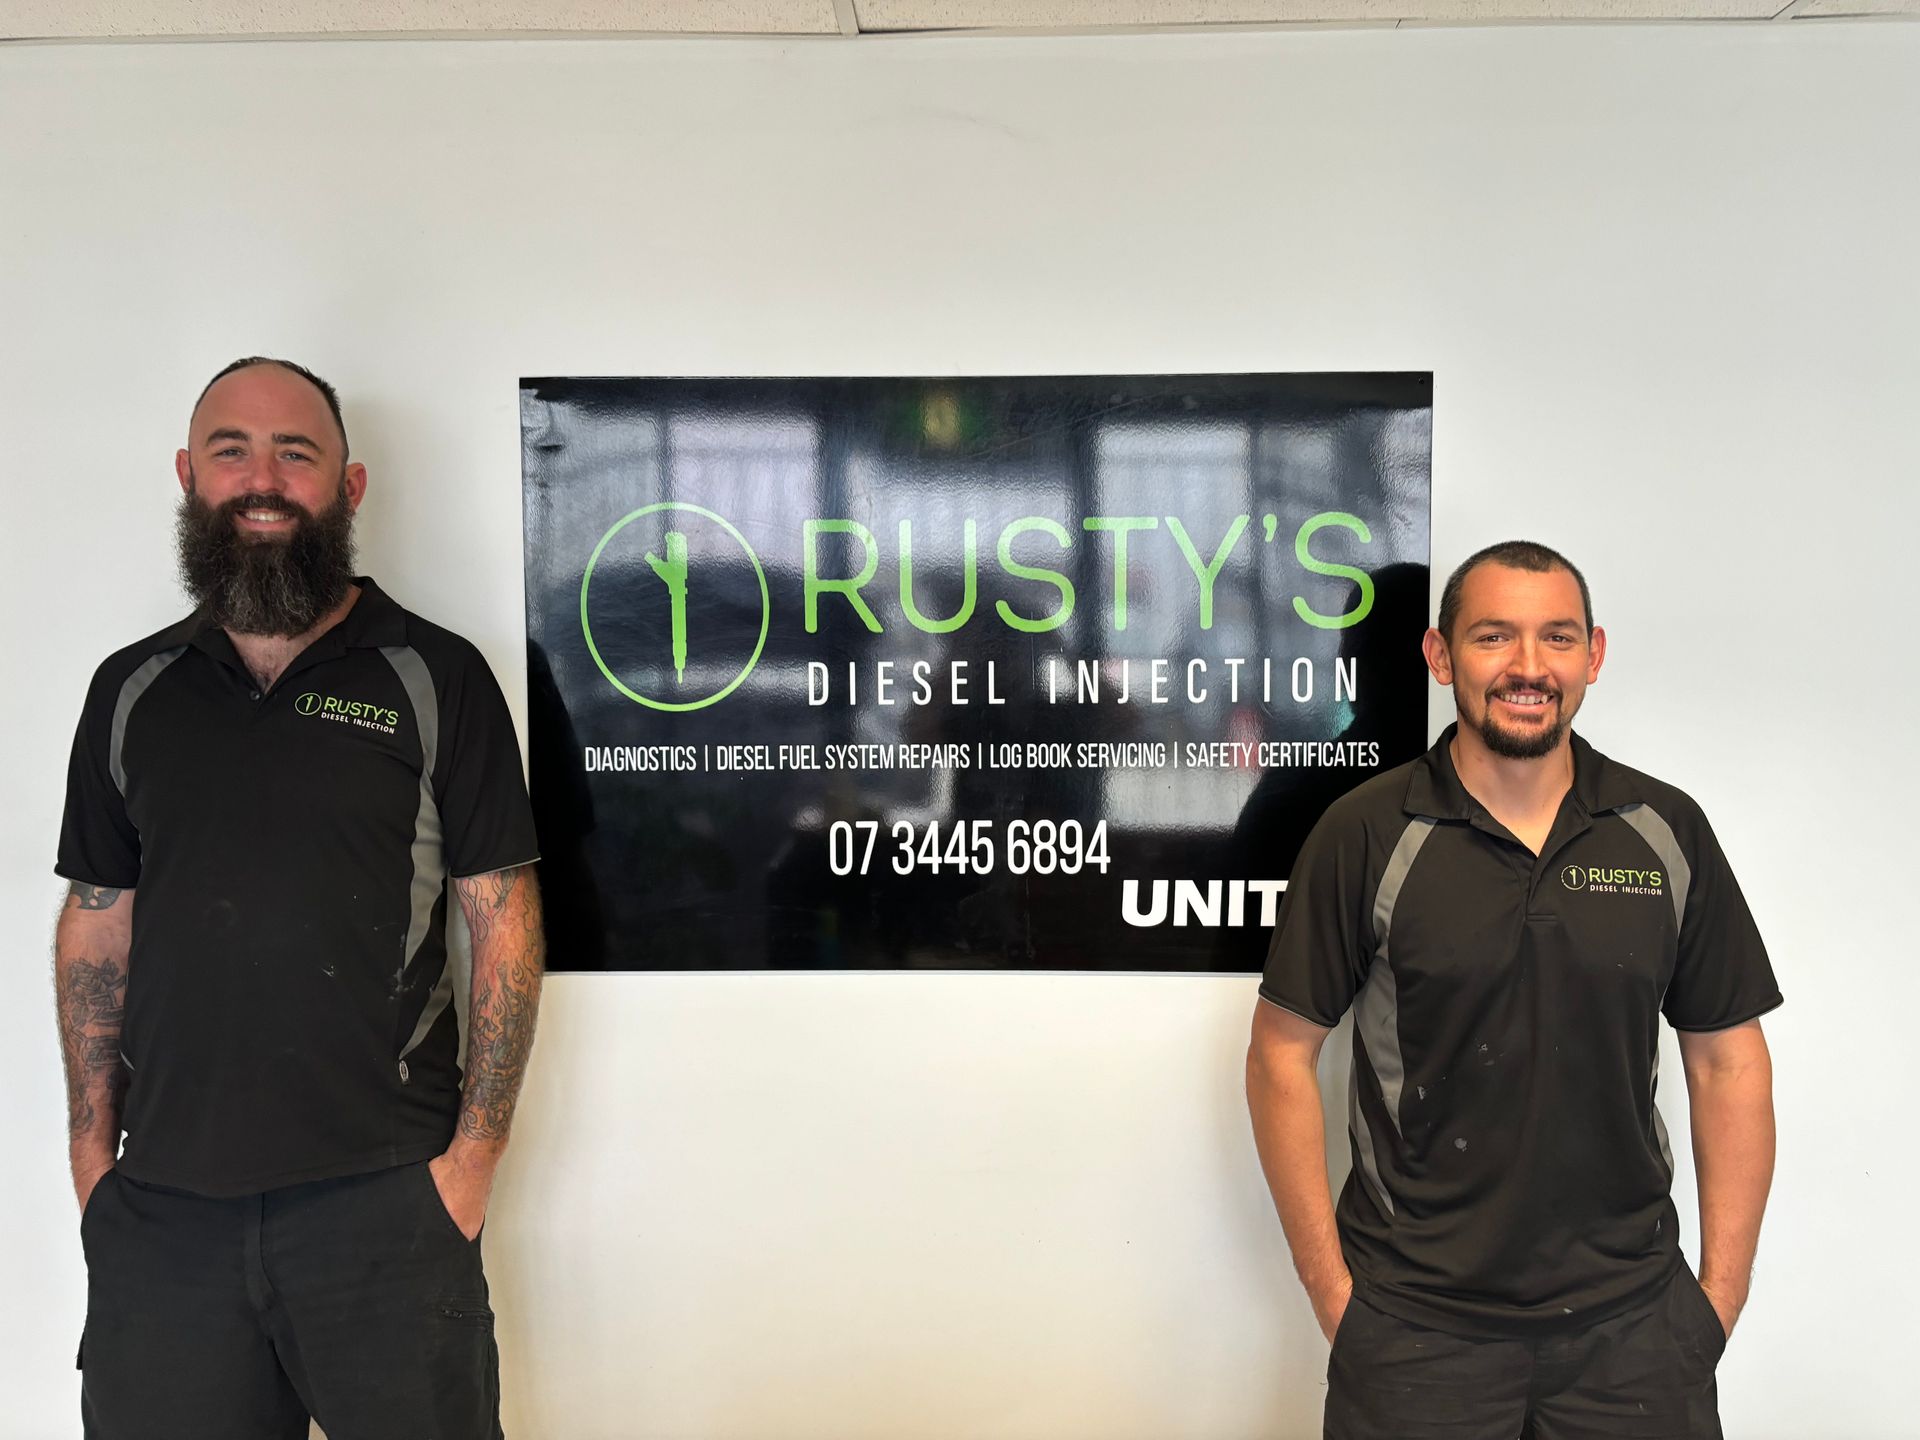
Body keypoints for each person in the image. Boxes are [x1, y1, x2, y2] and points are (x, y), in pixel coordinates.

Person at [54, 357, 545, 1440]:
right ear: (189, 475)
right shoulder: (131, 692)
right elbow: (99, 917)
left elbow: (502, 923)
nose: (262, 479)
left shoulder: (436, 674)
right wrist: (94, 1161)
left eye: (296, 453)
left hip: (386, 1209)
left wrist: (471, 1166)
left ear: (350, 486)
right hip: (167, 1217)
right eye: (231, 451)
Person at [1245, 540, 1779, 1440]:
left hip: (1636, 1337)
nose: (1529, 667)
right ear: (1441, 656)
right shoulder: (1367, 832)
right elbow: (1278, 1056)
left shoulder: (1663, 829)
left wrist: (1713, 1307)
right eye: (1494, 637)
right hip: (1415, 1337)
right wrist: (1338, 1302)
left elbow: (1729, 1064)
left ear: (1594, 656)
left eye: (1557, 638)